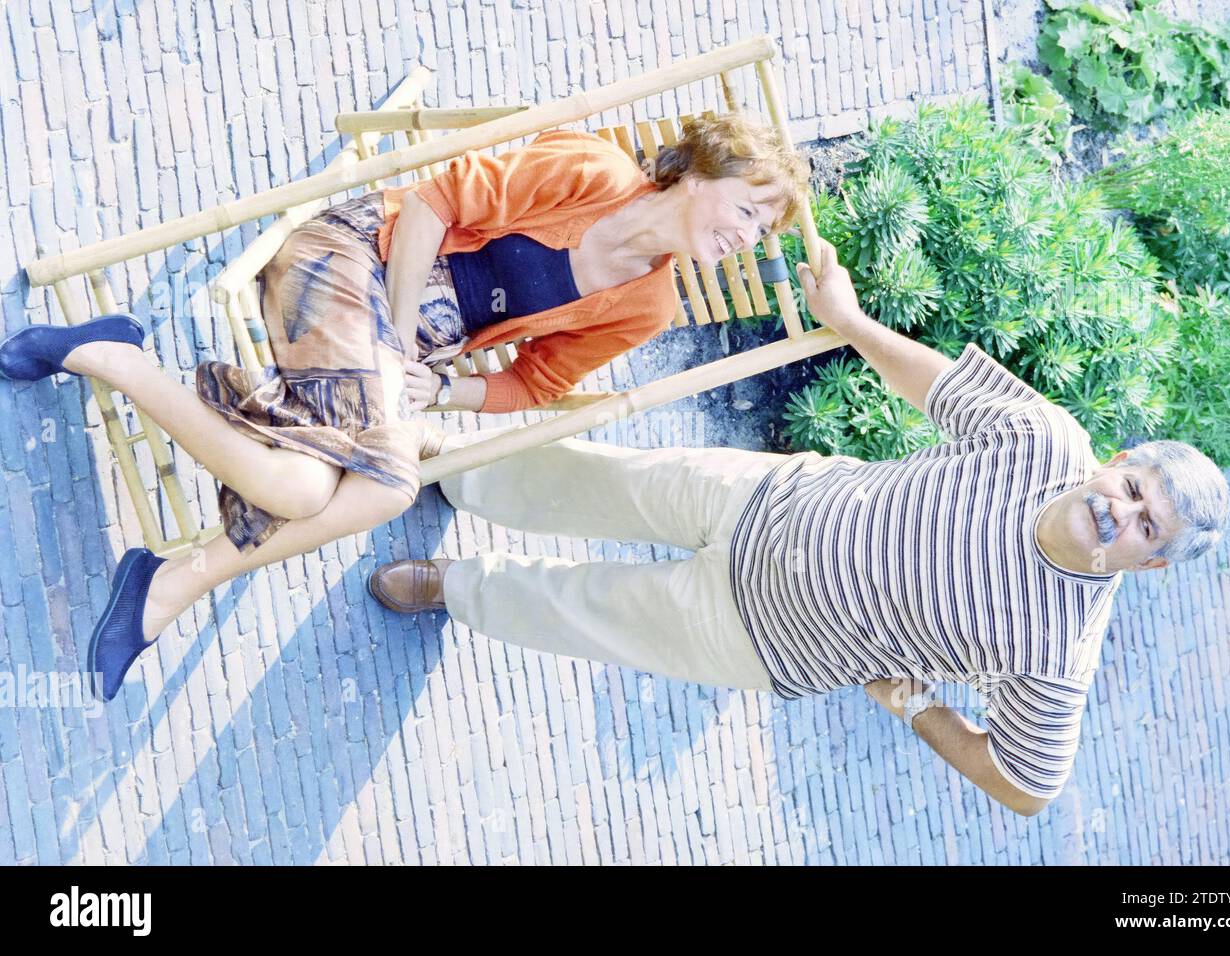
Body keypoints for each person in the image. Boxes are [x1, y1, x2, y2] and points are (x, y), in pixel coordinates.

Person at [369, 236, 1230, 818]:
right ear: (1115, 463)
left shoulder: (1060, 648)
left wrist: (921, 709)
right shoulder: (1047, 439)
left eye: (1145, 527)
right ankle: (449, 467)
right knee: (605, 477)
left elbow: (1029, 788)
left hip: (759, 638)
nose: (1120, 511)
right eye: (1132, 487)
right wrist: (850, 324)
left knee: (589, 609)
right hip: (767, 498)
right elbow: (939, 389)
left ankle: (455, 588)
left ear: (1148, 565)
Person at [0, 113, 810, 702]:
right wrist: (392, 339)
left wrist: (442, 388)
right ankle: (157, 535)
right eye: (748, 209)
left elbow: (535, 382)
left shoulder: (649, 306)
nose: (751, 235)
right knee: (384, 486)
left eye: (765, 228)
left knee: (309, 491)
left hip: (387, 368)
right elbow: (432, 205)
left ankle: (113, 368)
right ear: (701, 173)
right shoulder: (594, 172)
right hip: (355, 259)